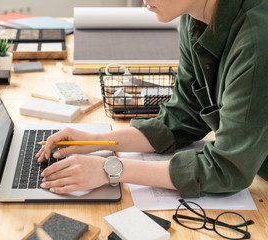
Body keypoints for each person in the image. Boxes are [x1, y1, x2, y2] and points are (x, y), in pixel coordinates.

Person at [36, 0, 268, 198]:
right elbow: (184, 116)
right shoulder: (194, 16)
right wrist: (95, 141)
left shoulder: (257, 43)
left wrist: (111, 169)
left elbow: (227, 168)